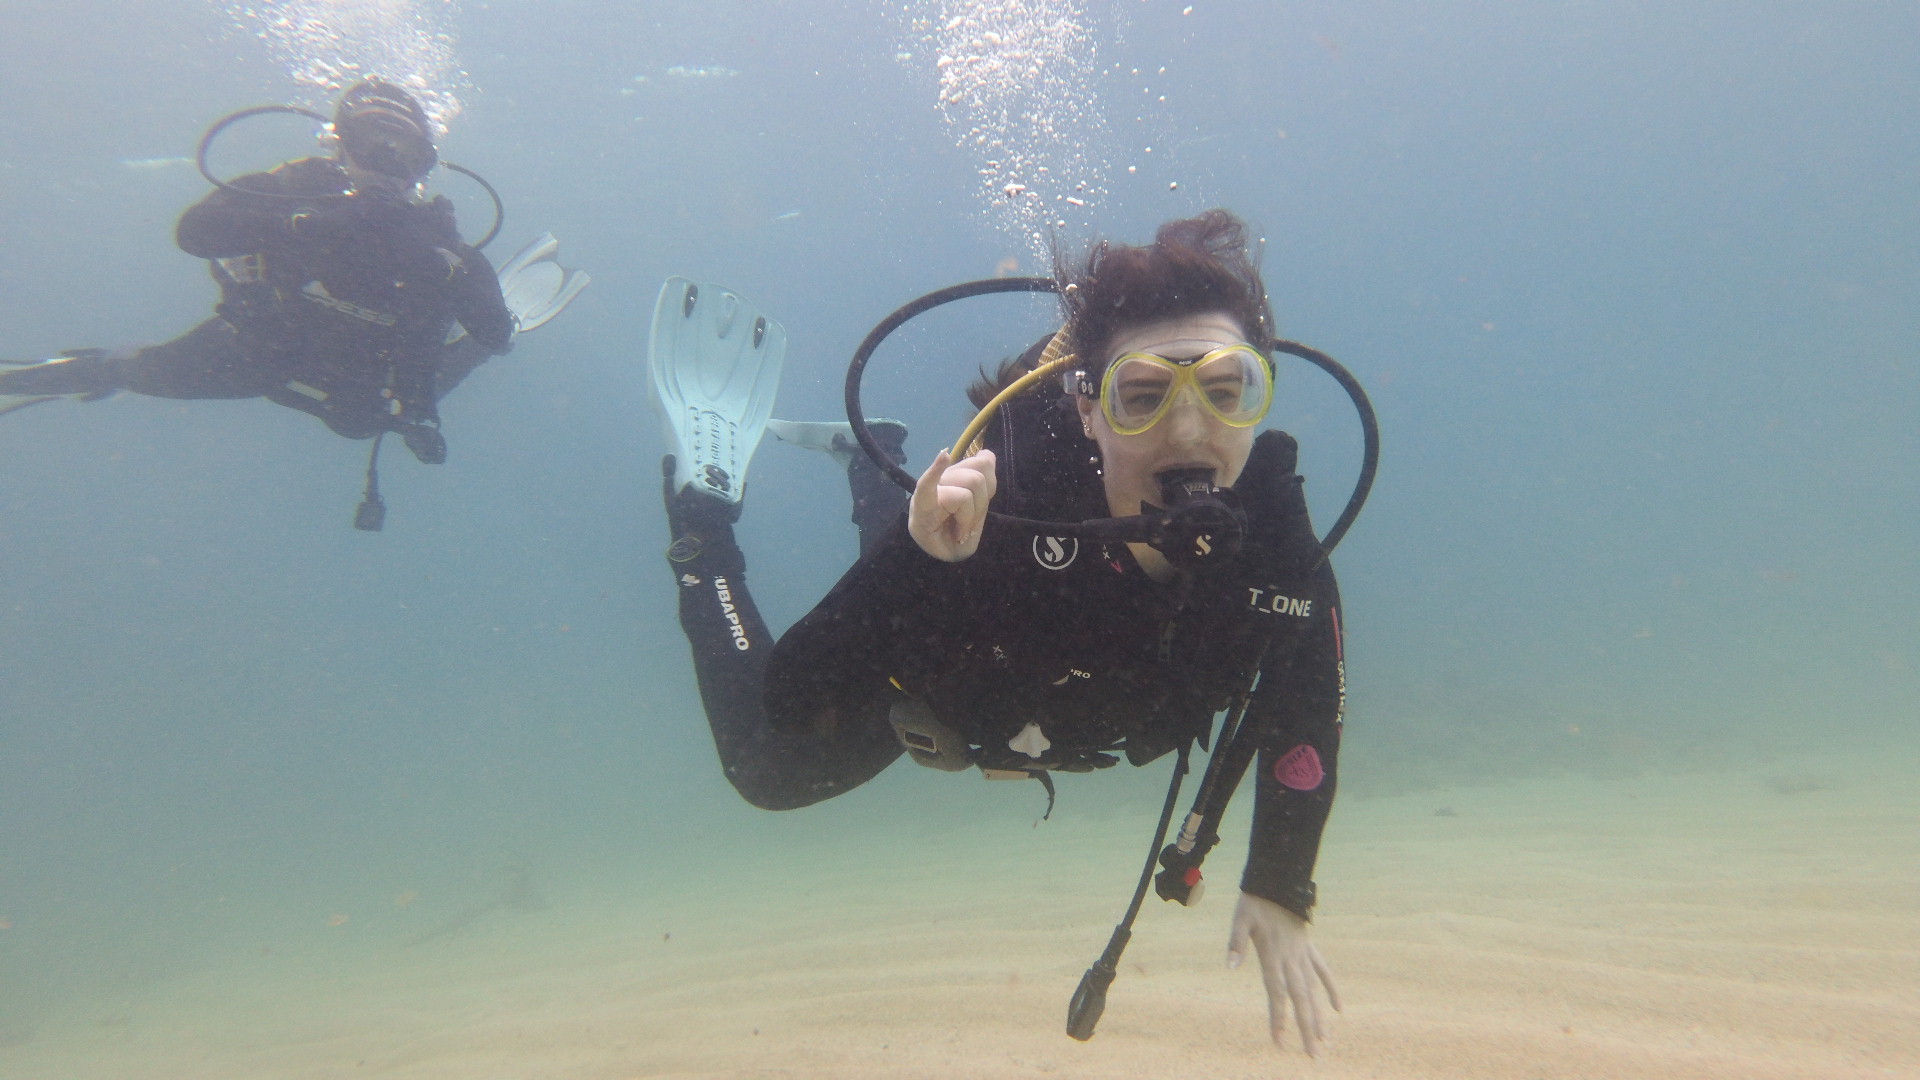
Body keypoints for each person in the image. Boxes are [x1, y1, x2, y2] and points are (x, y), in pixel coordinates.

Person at [656, 210, 1346, 1056]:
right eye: (1141, 395)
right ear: (1088, 410)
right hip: (946, 694)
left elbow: (1307, 700)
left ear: (1258, 401)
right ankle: (703, 527)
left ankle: (872, 463)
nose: (1191, 429)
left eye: (1226, 388)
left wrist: (1281, 882)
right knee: (766, 772)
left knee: (925, 537)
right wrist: (916, 558)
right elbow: (794, 699)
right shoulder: (1015, 502)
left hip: (1045, 702)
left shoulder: (1276, 542)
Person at [0, 78, 514, 466]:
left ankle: (445, 376)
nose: (386, 161)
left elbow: (492, 332)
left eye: (405, 154)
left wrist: (451, 270)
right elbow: (195, 232)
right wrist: (306, 224)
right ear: (338, 144)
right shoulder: (291, 190)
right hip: (256, 352)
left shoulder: (434, 237)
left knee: (393, 406)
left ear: (423, 166)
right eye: (370, 143)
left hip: (369, 382)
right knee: (136, 373)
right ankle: (59, 374)